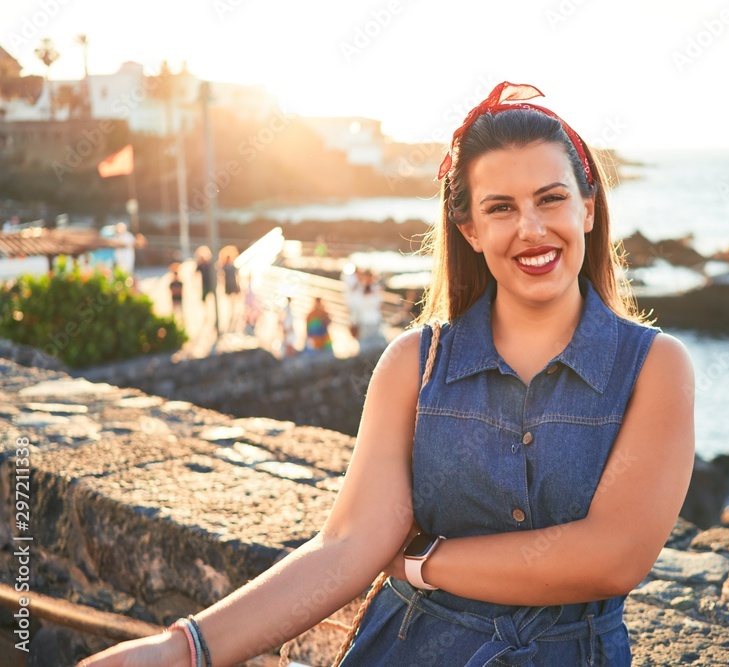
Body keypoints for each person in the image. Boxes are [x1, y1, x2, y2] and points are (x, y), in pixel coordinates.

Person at [79, 81, 696, 667]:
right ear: (470, 230)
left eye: (551, 198)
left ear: (588, 208)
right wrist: (183, 649)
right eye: (500, 208)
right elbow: (345, 547)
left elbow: (614, 557)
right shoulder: (413, 363)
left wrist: (424, 561)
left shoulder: (654, 366)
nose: (531, 228)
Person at [347, 267, 387, 355]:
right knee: (364, 350)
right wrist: (353, 323)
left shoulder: (375, 289)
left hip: (375, 321)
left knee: (377, 349)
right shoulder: (358, 290)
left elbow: (379, 306)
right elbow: (355, 308)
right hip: (363, 323)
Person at [219, 245, 242, 332]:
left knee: (234, 300)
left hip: (233, 284)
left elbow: (237, 276)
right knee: (230, 300)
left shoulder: (232, 266)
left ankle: (234, 311)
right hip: (228, 285)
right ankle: (232, 311)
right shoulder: (224, 267)